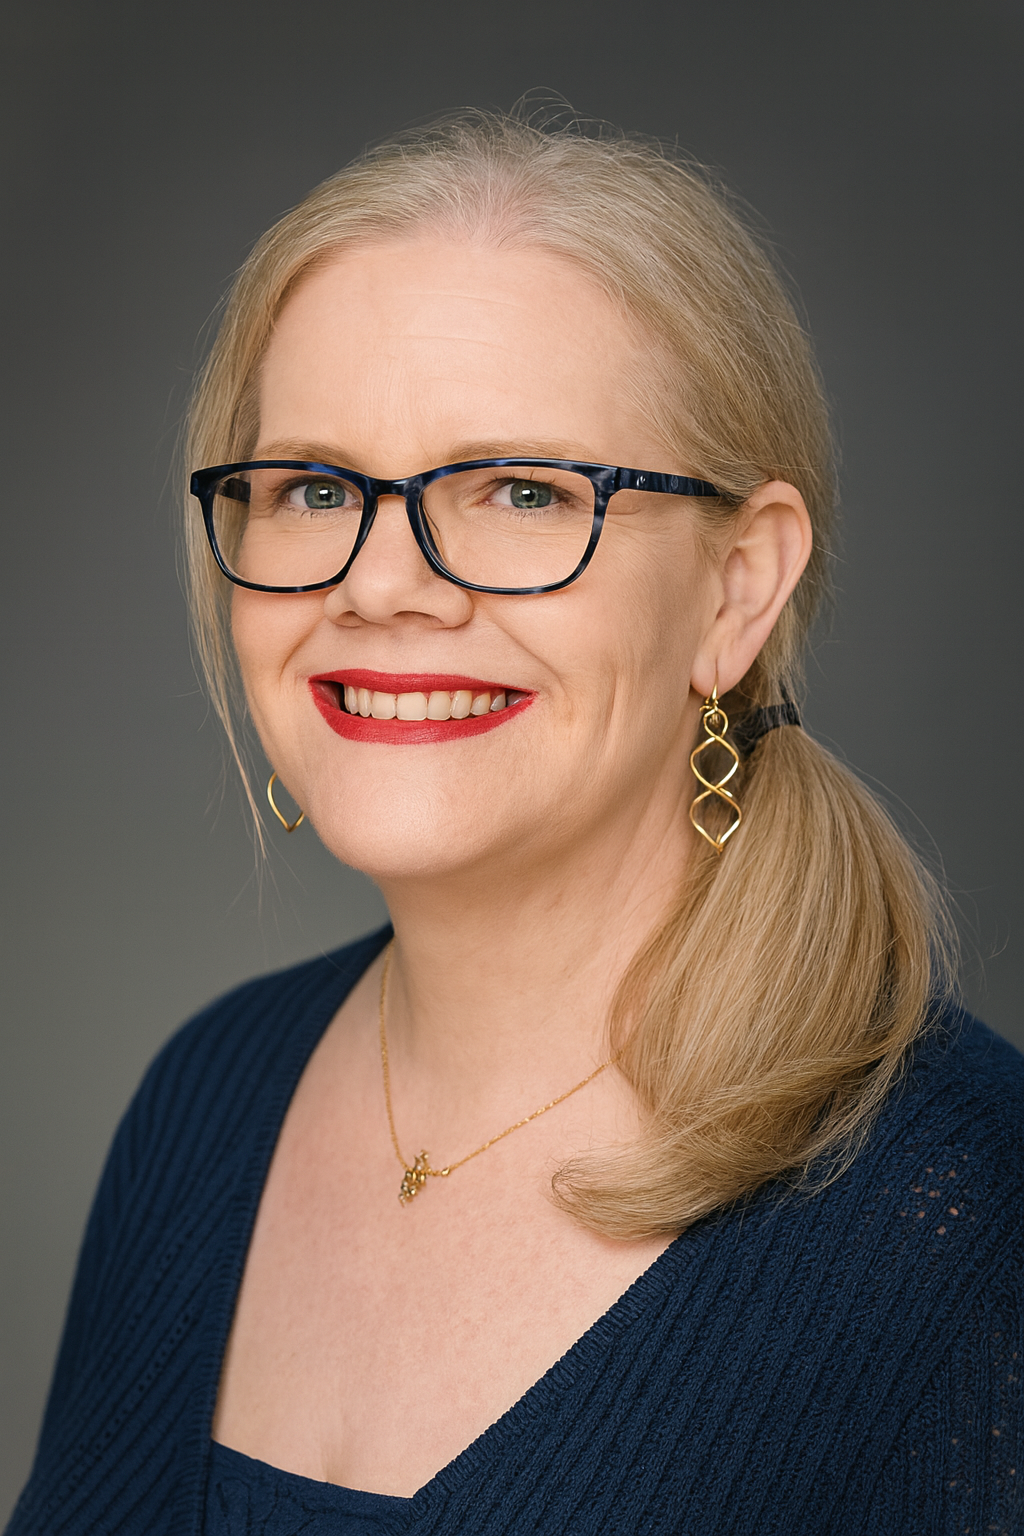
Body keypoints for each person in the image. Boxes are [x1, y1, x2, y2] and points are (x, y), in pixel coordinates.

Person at [8, 111, 1022, 1536]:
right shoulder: (204, 1098)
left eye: (523, 492)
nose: (383, 587)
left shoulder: (969, 1224)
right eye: (314, 488)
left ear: (739, 589)